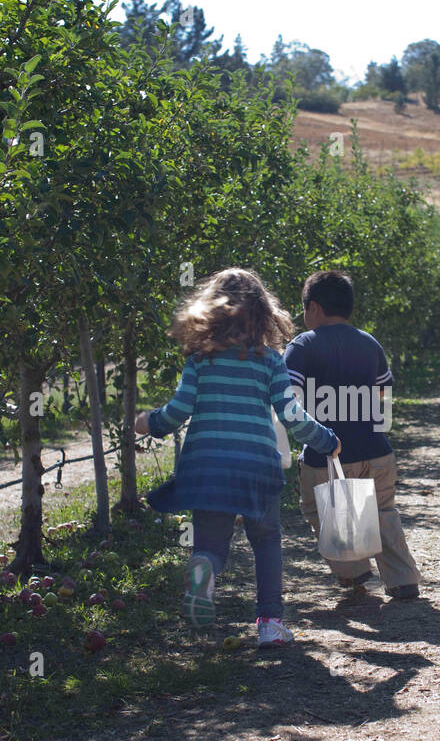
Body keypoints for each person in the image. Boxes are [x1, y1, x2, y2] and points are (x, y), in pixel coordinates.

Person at [136, 268, 340, 648]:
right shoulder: (270, 361)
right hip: (256, 466)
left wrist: (150, 422)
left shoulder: (200, 359)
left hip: (207, 467)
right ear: (263, 313)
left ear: (210, 311)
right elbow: (291, 415)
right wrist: (326, 440)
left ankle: (204, 570)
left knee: (211, 543)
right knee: (266, 540)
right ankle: (269, 624)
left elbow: (179, 410)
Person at [285, 270, 423, 600]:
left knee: (319, 509)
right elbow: (384, 399)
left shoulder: (302, 347)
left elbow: (288, 402)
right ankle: (402, 579)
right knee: (383, 512)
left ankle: (354, 571)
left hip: (327, 455)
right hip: (376, 450)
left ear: (313, 307)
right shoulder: (369, 343)